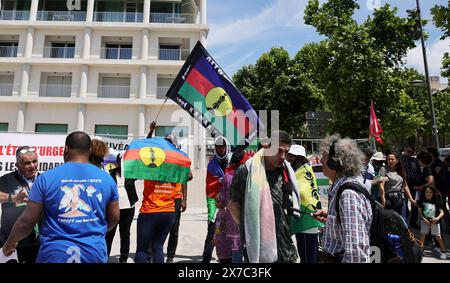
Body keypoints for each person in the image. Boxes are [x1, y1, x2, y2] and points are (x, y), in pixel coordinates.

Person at [2, 131, 120, 263]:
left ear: (66, 149)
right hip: (93, 252)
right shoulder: (107, 179)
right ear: (90, 150)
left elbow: (26, 222)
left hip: (55, 254)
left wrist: (9, 244)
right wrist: (95, 232)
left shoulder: (46, 179)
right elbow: (114, 218)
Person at [228, 130, 300, 263]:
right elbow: (232, 206)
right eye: (278, 151)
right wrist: (252, 225)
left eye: (286, 152)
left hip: (286, 250)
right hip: (258, 249)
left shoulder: (286, 172)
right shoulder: (246, 172)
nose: (283, 156)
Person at [313, 134, 373, 263]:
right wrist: (331, 217)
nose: (320, 161)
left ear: (334, 161)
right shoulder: (341, 187)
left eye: (323, 156)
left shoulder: (348, 194)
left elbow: (355, 250)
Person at [0, 146, 41, 263]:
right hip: (13, 240)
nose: (33, 166)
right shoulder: (7, 179)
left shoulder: (44, 179)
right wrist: (12, 198)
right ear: (18, 166)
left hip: (39, 239)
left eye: (35, 161)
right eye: (27, 163)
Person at [286, 144, 323, 263]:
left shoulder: (302, 172)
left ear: (299, 158)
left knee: (307, 257)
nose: (288, 158)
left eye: (291, 156)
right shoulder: (303, 170)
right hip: (306, 219)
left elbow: (301, 192)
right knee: (308, 255)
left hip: (306, 221)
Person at [214, 150, 250, 263]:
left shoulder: (227, 177)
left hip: (232, 219)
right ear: (242, 162)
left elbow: (222, 201)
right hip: (248, 217)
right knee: (245, 249)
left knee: (236, 249)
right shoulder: (249, 176)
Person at [105, 151, 139, 263]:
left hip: (128, 208)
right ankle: (105, 257)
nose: (122, 162)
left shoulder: (131, 173)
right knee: (109, 233)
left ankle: (123, 259)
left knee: (125, 234)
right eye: (120, 160)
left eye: (124, 160)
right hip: (113, 208)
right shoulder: (110, 173)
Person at [202, 136, 230, 263]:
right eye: (218, 146)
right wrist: (220, 181)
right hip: (215, 199)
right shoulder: (212, 164)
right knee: (213, 229)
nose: (220, 149)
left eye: (222, 146)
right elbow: (209, 185)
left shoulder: (232, 161)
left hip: (231, 200)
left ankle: (229, 258)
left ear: (226, 147)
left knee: (232, 230)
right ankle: (206, 258)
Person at [378, 151, 416, 220]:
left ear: (397, 160)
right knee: (391, 221)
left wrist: (411, 198)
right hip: (389, 199)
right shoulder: (383, 169)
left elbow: (405, 185)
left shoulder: (401, 170)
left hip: (401, 199)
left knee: (403, 219)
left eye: (392, 159)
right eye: (388, 159)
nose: (390, 161)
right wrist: (383, 200)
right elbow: (381, 186)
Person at [418, 184, 447, 260]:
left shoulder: (436, 201)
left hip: (434, 222)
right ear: (424, 193)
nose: (428, 194)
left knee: (438, 237)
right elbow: (420, 212)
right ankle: (420, 251)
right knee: (422, 236)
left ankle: (444, 251)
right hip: (425, 221)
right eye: (426, 192)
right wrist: (424, 219)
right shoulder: (422, 200)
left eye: (430, 192)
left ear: (433, 193)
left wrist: (436, 219)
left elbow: (442, 212)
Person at [401, 145, 420, 220]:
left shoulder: (414, 160)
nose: (410, 153)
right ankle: (405, 219)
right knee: (404, 203)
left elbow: (418, 171)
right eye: (408, 151)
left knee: (415, 203)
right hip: (404, 184)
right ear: (405, 150)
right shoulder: (400, 160)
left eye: (411, 152)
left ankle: (413, 221)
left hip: (414, 185)